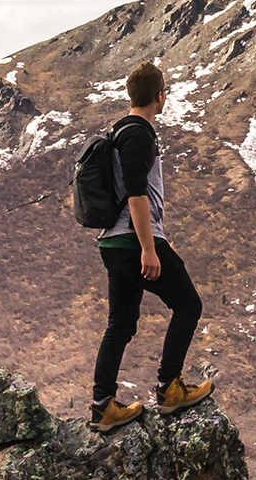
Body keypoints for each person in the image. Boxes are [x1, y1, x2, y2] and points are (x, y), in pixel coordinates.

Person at [89, 62, 214, 432]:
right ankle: (169, 388)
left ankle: (102, 407)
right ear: (160, 95)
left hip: (113, 241)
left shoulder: (119, 131)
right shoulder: (139, 133)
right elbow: (136, 193)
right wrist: (149, 247)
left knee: (121, 324)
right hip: (133, 242)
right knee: (189, 304)